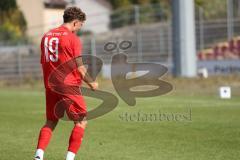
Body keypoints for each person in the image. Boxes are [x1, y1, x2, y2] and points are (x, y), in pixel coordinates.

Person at [34, 6, 98, 160]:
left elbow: (44, 61)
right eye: (80, 25)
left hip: (50, 86)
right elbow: (80, 67)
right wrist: (92, 83)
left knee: (51, 121)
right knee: (81, 122)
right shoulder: (72, 38)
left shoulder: (47, 36)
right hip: (68, 85)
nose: (79, 29)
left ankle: (38, 156)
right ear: (75, 22)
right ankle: (69, 158)